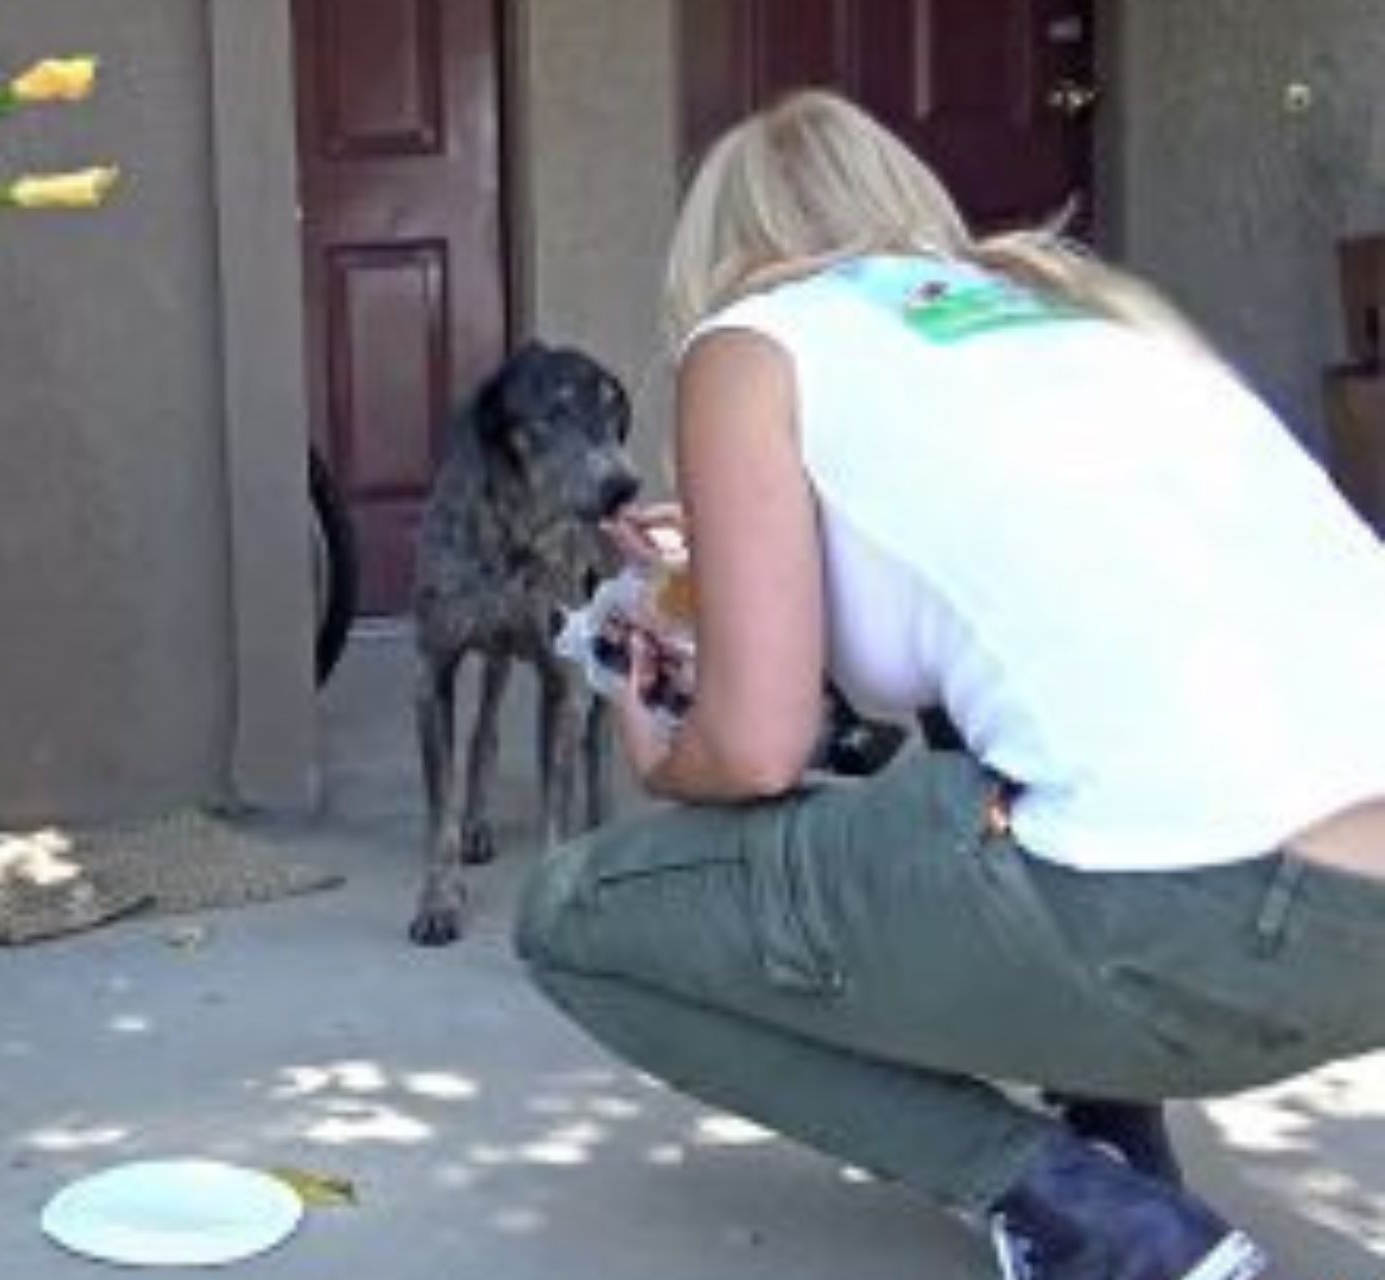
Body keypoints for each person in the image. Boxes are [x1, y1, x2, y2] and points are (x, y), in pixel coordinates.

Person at [514, 89, 1385, 1280]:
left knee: (573, 919)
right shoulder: (1065, 306)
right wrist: (741, 556)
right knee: (1014, 763)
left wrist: (666, 748)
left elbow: (759, 751)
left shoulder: (748, 342)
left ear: (719, 254)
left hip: (1191, 919)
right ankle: (1113, 1137)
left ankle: (1079, 1217)